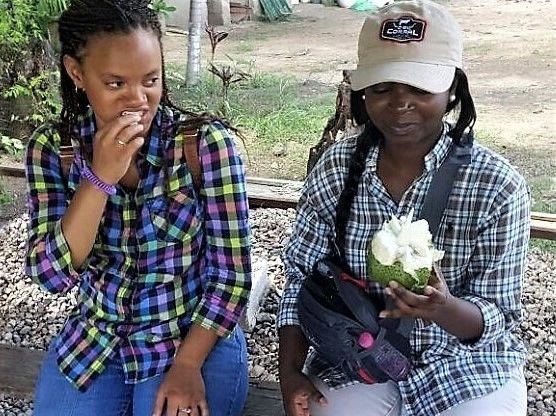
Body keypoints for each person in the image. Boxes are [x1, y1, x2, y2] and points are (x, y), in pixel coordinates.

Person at [277, 1, 530, 416]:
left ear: (452, 89)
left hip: (464, 364)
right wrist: (290, 371)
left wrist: (443, 308)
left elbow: (498, 315)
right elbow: (301, 276)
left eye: (420, 88)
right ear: (361, 93)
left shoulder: (497, 185)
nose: (400, 103)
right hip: (357, 355)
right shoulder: (338, 169)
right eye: (382, 88)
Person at [25, 1, 251, 415]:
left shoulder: (203, 146)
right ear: (77, 74)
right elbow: (51, 276)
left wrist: (187, 363)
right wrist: (99, 178)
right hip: (97, 338)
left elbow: (231, 277)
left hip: (191, 332)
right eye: (115, 84)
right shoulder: (53, 151)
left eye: (151, 80)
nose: (138, 101)